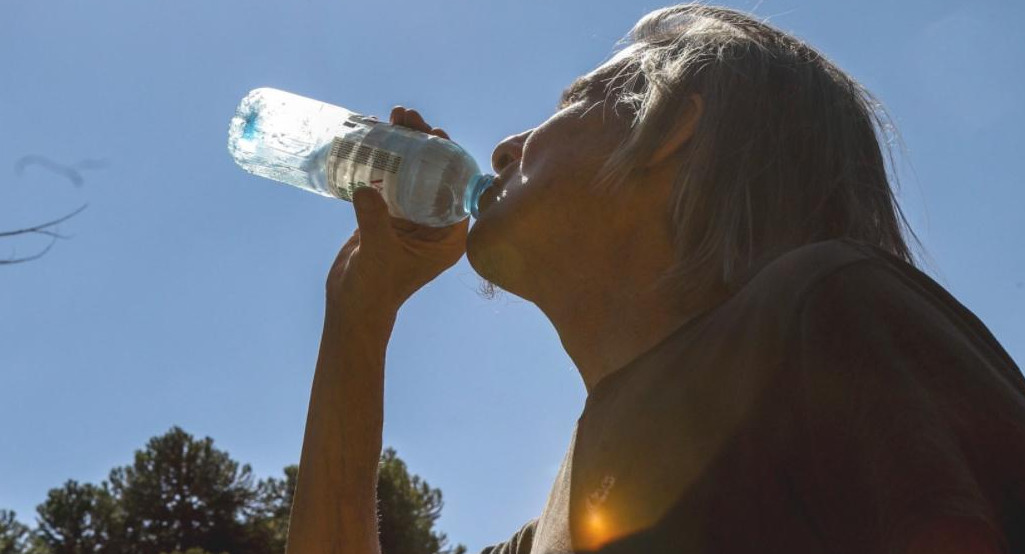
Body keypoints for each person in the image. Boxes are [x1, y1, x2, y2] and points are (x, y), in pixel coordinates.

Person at [284, 5, 1025, 554]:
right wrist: (359, 311)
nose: (507, 146)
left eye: (573, 100)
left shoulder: (825, 311)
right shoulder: (565, 512)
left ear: (670, 129)